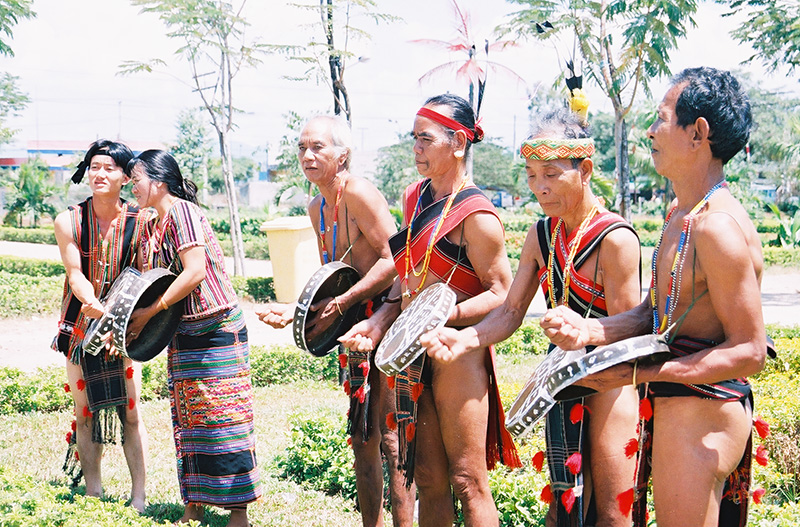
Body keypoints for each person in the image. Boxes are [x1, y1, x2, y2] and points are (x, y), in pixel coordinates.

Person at [539, 67, 767, 527]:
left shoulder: (716, 227)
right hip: (678, 409)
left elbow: (749, 350)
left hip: (701, 416)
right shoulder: (681, 213)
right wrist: (591, 329)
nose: (650, 130)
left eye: (662, 119)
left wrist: (639, 372)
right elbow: (656, 313)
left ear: (698, 133)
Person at [422, 106, 643, 527]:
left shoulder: (615, 239)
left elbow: (629, 332)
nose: (540, 188)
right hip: (561, 380)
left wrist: (585, 333)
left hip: (611, 384)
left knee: (614, 515)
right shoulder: (542, 234)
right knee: (564, 510)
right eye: (531, 176)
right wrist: (466, 339)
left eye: (552, 174)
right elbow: (509, 311)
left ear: (586, 169)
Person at [341, 94, 521, 527]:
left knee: (467, 480)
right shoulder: (415, 198)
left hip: (458, 353)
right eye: (414, 138)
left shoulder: (478, 216)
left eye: (426, 139)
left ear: (458, 142)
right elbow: (407, 277)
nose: (416, 148)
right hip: (411, 352)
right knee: (427, 476)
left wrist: (443, 318)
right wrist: (382, 321)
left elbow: (502, 294)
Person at [255, 115, 415, 527]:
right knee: (363, 436)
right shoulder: (316, 206)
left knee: (393, 438)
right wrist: (298, 310)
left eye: (318, 147)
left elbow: (395, 260)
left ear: (342, 155)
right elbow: (338, 271)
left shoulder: (359, 193)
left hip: (386, 316)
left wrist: (344, 302)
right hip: (352, 323)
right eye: (302, 148)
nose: (307, 155)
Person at [125, 150, 261, 527]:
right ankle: (194, 504)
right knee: (189, 420)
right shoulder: (153, 224)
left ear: (159, 181)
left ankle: (239, 511)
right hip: (182, 332)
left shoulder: (182, 212)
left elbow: (195, 272)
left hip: (217, 328)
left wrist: (151, 313)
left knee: (226, 419)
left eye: (136, 179)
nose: (133, 187)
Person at [53, 139, 148, 512]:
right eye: (94, 166)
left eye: (109, 168)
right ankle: (94, 492)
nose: (99, 174)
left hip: (124, 329)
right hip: (80, 325)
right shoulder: (69, 220)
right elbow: (74, 273)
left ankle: (139, 496)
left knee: (132, 411)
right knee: (85, 411)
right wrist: (92, 304)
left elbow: (145, 274)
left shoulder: (142, 220)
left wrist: (117, 319)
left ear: (126, 176)